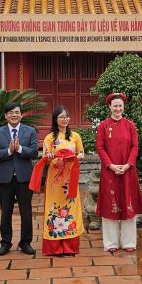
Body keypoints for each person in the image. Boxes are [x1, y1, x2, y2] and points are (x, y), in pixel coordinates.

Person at [31, 106, 85, 257]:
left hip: (70, 177)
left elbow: (81, 153)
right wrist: (55, 159)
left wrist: (76, 157)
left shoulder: (75, 136)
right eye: (61, 117)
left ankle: (69, 247)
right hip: (55, 179)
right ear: (55, 119)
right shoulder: (50, 138)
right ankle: (55, 246)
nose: (65, 119)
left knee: (71, 208)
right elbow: (46, 156)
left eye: (67, 116)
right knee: (54, 208)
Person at [95, 93, 142, 253]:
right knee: (110, 204)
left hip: (128, 171)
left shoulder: (130, 125)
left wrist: (128, 164)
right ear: (109, 107)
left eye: (120, 105)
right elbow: (100, 147)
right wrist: (110, 165)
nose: (117, 108)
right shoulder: (103, 126)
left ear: (124, 107)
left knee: (128, 202)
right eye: (115, 105)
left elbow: (135, 147)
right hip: (109, 172)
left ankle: (129, 242)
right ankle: (111, 243)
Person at [0, 102, 40, 256]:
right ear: (6, 115)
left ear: (21, 114)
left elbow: (34, 152)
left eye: (17, 112)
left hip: (24, 177)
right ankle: (5, 242)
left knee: (26, 211)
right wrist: (8, 150)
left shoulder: (30, 131)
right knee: (6, 211)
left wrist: (19, 149)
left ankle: (25, 242)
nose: (14, 115)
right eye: (11, 112)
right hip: (5, 178)